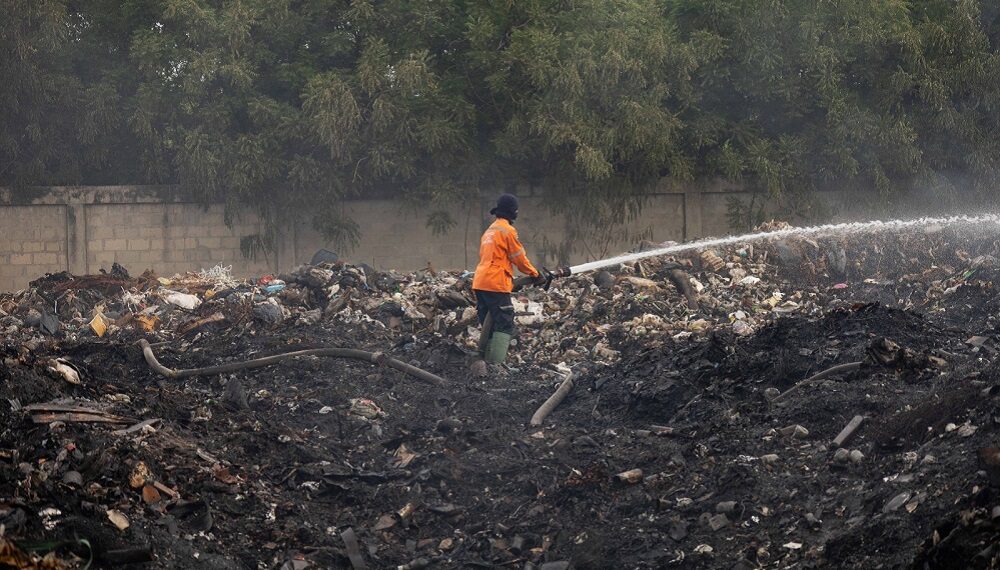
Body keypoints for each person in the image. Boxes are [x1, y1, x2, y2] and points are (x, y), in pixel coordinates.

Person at [472, 194, 547, 364]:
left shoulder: (490, 230)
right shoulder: (508, 231)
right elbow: (518, 257)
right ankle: (496, 366)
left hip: (480, 281)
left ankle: (484, 361)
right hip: (495, 282)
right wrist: (535, 274)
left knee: (489, 323)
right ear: (512, 211)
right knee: (505, 321)